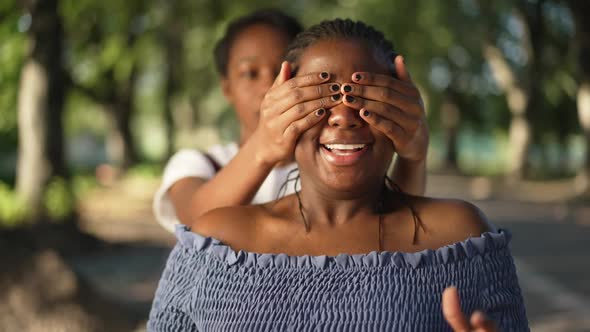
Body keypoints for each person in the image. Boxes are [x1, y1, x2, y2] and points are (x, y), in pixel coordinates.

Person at [148, 19, 528, 331]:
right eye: (319, 97)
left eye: (365, 98)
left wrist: (413, 150)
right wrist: (265, 144)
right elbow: (194, 219)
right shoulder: (214, 235)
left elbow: (403, 236)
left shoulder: (461, 235)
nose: (344, 115)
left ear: (399, 107)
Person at [152, 9, 429, 233]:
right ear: (226, 88)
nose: (268, 87)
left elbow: (393, 227)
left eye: (282, 74)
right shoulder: (195, 164)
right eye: (251, 73)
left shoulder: (329, 164)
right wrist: (263, 147)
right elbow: (196, 223)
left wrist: (413, 157)